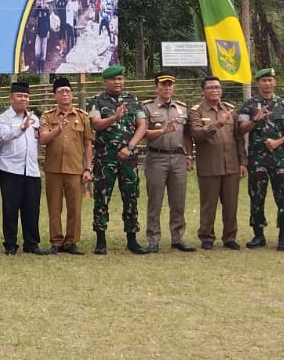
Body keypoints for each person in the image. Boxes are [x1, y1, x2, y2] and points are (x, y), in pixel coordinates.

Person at [132, 73, 194, 253]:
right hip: (156, 157)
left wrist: (189, 157)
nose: (167, 88)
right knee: (155, 200)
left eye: (170, 85)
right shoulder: (147, 108)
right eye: (163, 84)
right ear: (156, 87)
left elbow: (187, 135)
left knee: (178, 200)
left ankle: (177, 237)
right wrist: (162, 131)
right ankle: (153, 238)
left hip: (178, 158)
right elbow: (143, 133)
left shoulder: (182, 108)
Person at [237, 68, 284, 249]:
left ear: (274, 82)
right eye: (263, 80)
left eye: (270, 80)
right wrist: (256, 119)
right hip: (257, 159)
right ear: (257, 83)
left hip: (279, 158)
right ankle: (258, 235)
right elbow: (241, 129)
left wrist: (278, 142)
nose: (267, 84)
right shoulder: (249, 104)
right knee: (256, 196)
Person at [88, 65, 142, 254]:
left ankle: (132, 239)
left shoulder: (133, 100)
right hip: (105, 159)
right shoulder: (95, 101)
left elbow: (142, 125)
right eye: (113, 79)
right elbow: (96, 124)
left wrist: (130, 147)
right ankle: (101, 240)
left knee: (131, 197)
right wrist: (115, 117)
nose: (118, 82)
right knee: (102, 198)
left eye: (120, 79)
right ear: (105, 82)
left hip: (129, 158)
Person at [189, 76, 246, 249]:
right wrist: (217, 124)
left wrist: (242, 162)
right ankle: (206, 236)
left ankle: (229, 237)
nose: (215, 90)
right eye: (210, 87)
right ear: (203, 90)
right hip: (209, 164)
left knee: (231, 204)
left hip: (231, 164)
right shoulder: (196, 111)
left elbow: (238, 138)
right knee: (209, 203)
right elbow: (197, 135)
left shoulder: (230, 110)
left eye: (217, 87)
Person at [40, 76, 93, 253]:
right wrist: (57, 129)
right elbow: (43, 139)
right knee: (54, 207)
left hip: (75, 169)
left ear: (72, 94)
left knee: (75, 208)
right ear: (55, 95)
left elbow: (87, 144)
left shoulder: (82, 116)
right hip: (53, 169)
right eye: (61, 91)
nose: (65, 94)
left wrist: (88, 168)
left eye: (68, 91)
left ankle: (71, 242)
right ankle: (56, 241)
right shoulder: (47, 116)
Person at [0, 80, 43, 254]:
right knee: (10, 208)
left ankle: (31, 244)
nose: (23, 99)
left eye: (26, 96)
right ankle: (10, 244)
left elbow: (38, 140)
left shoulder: (34, 118)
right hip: (10, 169)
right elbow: (5, 136)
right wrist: (22, 128)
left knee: (31, 208)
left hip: (31, 169)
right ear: (11, 98)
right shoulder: (4, 118)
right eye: (19, 96)